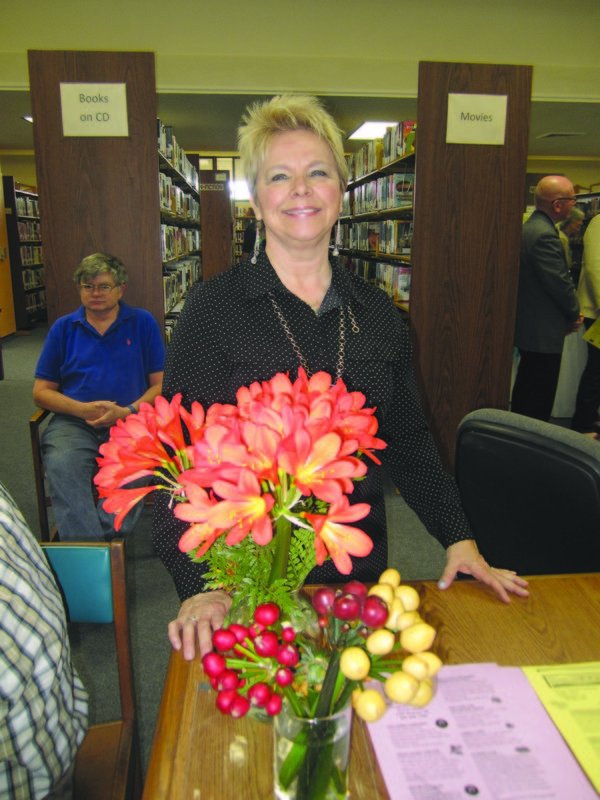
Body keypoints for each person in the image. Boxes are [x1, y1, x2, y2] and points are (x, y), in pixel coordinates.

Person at [153, 95, 529, 660]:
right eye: (280, 176)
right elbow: (175, 455)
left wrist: (459, 538)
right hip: (247, 580)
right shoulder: (215, 308)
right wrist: (201, 589)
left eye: (318, 172)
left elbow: (408, 438)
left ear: (341, 190)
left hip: (356, 569)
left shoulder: (377, 314)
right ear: (257, 201)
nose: (301, 189)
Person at [33, 253, 165, 540]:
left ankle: (95, 546)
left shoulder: (142, 323)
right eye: (87, 286)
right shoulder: (63, 329)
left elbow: (161, 385)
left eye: (104, 286)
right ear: (79, 289)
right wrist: (81, 410)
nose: (95, 293)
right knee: (62, 463)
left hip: (129, 420)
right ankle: (96, 554)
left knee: (136, 465)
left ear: (121, 289)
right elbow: (41, 392)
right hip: (74, 422)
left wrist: (127, 411)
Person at [0, 479, 88, 799]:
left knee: (137, 472)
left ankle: (103, 533)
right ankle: (90, 545)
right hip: (38, 766)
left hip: (47, 752)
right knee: (65, 459)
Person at [511, 175, 583, 421]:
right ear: (557, 204)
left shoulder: (531, 228)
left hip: (533, 328)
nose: (575, 204)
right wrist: (575, 312)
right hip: (543, 331)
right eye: (572, 199)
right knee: (538, 396)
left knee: (527, 388)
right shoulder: (544, 235)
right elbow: (559, 283)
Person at [572, 213, 600, 435]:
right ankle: (584, 423)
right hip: (597, 310)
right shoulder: (598, 223)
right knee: (597, 367)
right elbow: (595, 268)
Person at [557, 205, 585, 284]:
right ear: (570, 221)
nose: (581, 223)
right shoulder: (562, 239)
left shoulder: (563, 236)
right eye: (577, 226)